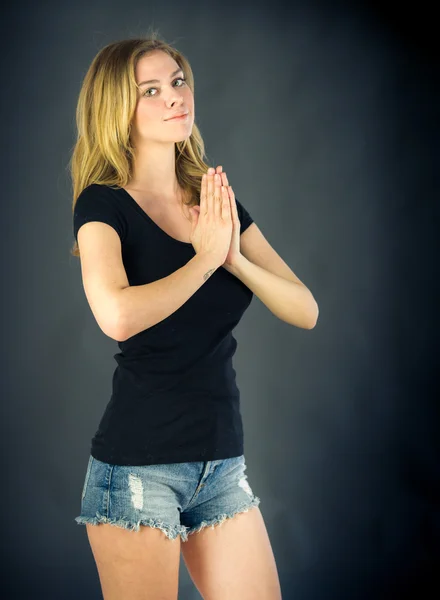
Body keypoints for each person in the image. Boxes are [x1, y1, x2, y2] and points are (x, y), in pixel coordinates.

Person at [71, 33, 289, 600]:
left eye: (178, 81)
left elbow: (305, 308)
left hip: (220, 467)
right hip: (139, 470)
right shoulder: (102, 204)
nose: (175, 97)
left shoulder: (214, 202)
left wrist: (235, 258)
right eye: (151, 90)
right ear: (119, 109)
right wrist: (205, 259)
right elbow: (116, 315)